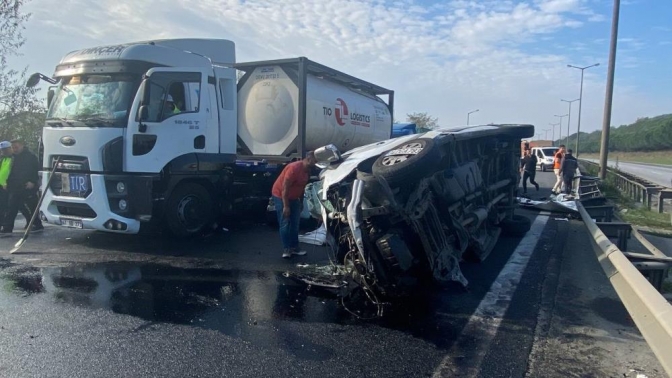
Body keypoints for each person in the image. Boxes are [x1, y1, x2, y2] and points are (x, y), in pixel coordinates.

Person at [271, 152, 317, 258]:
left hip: (294, 197)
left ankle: (294, 247)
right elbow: (284, 188)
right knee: (285, 222)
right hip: (280, 195)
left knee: (295, 223)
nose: (316, 164)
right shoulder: (293, 168)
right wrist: (286, 206)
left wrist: (300, 202)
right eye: (315, 161)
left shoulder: (308, 171)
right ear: (309, 159)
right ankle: (287, 249)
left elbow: (302, 187)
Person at [1, 140, 43, 236]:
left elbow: (36, 170)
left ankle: (37, 224)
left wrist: (33, 181)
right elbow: (10, 172)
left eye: (16, 147)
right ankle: (7, 228)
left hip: (27, 187)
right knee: (11, 208)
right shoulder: (13, 158)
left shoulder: (30, 157)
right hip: (14, 187)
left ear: (22, 146)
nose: (14, 149)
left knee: (31, 207)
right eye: (13, 147)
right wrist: (7, 182)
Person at [0, 141, 13, 229]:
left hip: (8, 186)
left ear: (10, 148)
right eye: (2, 150)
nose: (3, 151)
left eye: (5, 149)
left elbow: (12, 172)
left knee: (8, 206)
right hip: (1, 185)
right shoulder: (3, 158)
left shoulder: (14, 158)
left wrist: (6, 183)